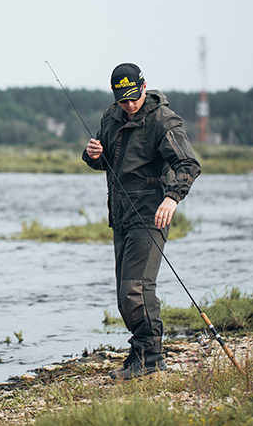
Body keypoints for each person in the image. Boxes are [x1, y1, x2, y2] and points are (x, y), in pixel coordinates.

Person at [83, 63, 200, 379]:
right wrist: (93, 154)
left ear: (144, 87)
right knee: (125, 294)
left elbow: (188, 164)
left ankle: (150, 358)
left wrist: (172, 197)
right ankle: (140, 352)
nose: (130, 105)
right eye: (123, 100)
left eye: (134, 98)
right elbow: (108, 162)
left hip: (151, 215)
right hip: (120, 216)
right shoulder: (111, 117)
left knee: (136, 288)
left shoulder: (163, 120)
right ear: (115, 95)